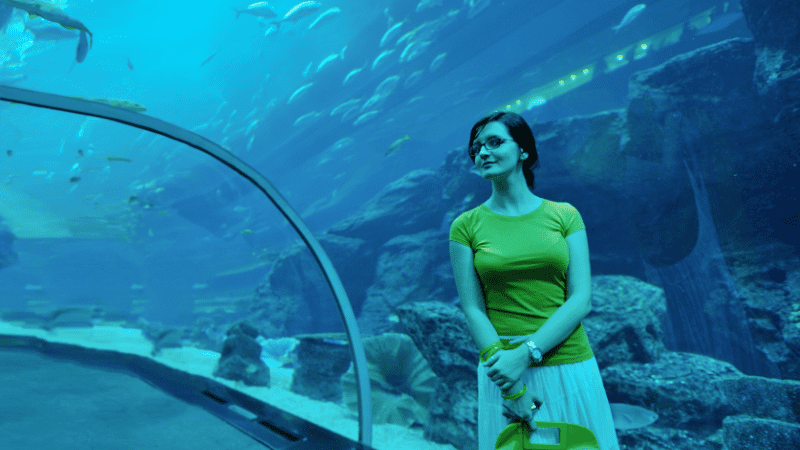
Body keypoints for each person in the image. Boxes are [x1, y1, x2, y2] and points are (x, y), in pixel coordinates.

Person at [448, 112, 619, 449]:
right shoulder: (465, 226)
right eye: (476, 147)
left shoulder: (564, 215)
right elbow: (473, 309)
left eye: (495, 142)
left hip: (569, 364)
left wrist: (525, 354)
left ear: (523, 150)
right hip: (503, 372)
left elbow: (581, 299)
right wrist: (511, 386)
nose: (483, 152)